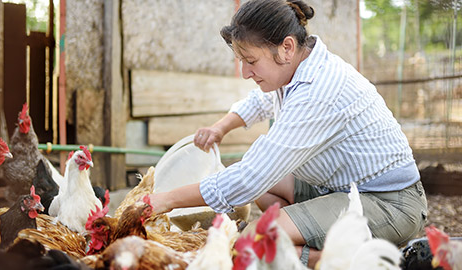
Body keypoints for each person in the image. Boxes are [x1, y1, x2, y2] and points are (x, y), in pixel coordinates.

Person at [148, 0, 428, 268]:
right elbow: (261, 102)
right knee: (266, 188)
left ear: (287, 47)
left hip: (388, 203)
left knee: (248, 242)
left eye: (250, 61)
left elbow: (250, 178)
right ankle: (304, 229)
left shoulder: (318, 91)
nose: (245, 72)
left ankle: (350, 256)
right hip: (341, 188)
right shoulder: (296, 68)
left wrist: (163, 200)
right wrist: (221, 127)